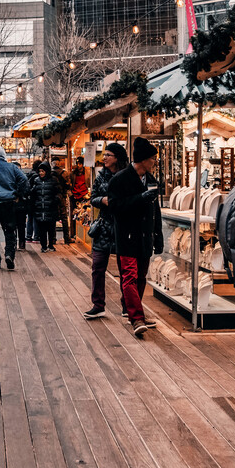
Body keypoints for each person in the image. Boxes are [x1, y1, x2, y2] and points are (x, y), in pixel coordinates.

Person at [107, 138, 164, 336]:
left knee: (140, 277)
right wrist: (139, 199)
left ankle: (135, 310)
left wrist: (158, 234)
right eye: (152, 159)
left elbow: (155, 210)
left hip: (145, 237)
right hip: (127, 236)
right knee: (129, 276)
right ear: (143, 160)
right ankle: (136, 317)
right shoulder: (120, 180)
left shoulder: (151, 180)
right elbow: (114, 206)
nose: (154, 162)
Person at [82, 143, 129, 319]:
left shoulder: (127, 176)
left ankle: (127, 305)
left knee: (124, 269)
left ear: (117, 157)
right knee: (97, 266)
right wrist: (103, 200)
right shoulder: (101, 176)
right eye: (104, 154)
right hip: (103, 226)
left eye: (108, 155)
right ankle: (98, 304)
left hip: (122, 226)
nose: (104, 158)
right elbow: (93, 198)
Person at [29, 162, 63, 252]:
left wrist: (56, 200)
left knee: (51, 228)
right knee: (42, 229)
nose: (41, 173)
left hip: (50, 208)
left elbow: (59, 192)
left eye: (43, 171)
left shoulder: (54, 180)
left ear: (47, 171)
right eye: (40, 171)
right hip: (40, 208)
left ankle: (51, 245)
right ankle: (43, 246)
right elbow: (33, 193)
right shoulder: (36, 180)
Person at [68, 157, 89, 241]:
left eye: (80, 163)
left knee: (84, 216)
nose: (79, 165)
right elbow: (69, 184)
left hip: (84, 196)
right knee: (73, 215)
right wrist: (71, 194)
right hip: (74, 196)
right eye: (77, 163)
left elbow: (88, 183)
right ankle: (73, 233)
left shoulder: (87, 173)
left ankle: (83, 236)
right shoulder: (72, 174)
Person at [52, 161, 73, 244]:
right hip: (62, 197)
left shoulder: (50, 174)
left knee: (53, 219)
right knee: (64, 218)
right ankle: (66, 238)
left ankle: (53, 239)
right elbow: (69, 185)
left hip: (53, 198)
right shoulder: (64, 173)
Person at [25, 159, 42, 242]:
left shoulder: (29, 174)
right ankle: (36, 236)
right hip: (35, 199)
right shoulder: (36, 176)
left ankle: (28, 236)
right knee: (35, 218)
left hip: (29, 200)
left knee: (30, 218)